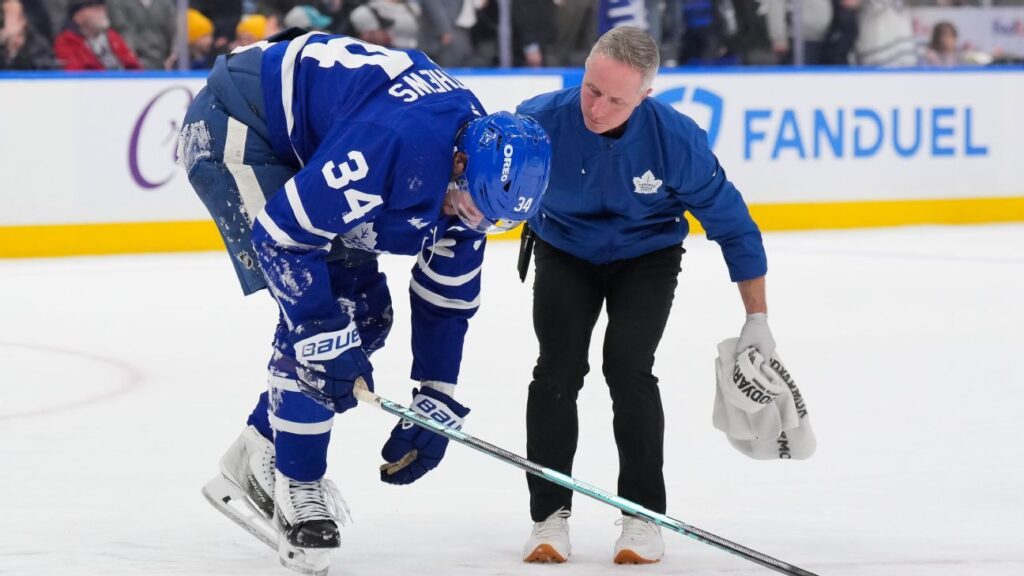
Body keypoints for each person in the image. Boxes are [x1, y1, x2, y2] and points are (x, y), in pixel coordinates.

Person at [178, 29, 551, 575]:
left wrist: (437, 396)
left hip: (312, 137)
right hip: (237, 126)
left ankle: (259, 449)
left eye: (498, 220)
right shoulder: (390, 145)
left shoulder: (478, 172)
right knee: (330, 317)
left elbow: (446, 297)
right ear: (457, 165)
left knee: (365, 318)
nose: (481, 225)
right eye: (479, 208)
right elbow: (282, 238)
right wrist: (318, 328)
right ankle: (297, 484)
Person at [515, 26, 774, 565]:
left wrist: (757, 319)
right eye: (591, 89)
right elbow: (481, 190)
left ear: (645, 97)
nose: (597, 107)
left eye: (616, 100)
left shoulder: (675, 140)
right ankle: (549, 516)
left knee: (628, 367)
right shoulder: (536, 121)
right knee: (557, 369)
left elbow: (734, 225)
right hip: (564, 249)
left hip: (646, 257)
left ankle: (641, 516)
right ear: (583, 71)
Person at [53, 0, 140, 70]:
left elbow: (135, 68)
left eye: (102, 4)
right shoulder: (66, 42)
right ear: (77, 16)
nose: (102, 9)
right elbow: (77, 78)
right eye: (93, 5)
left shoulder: (113, 36)